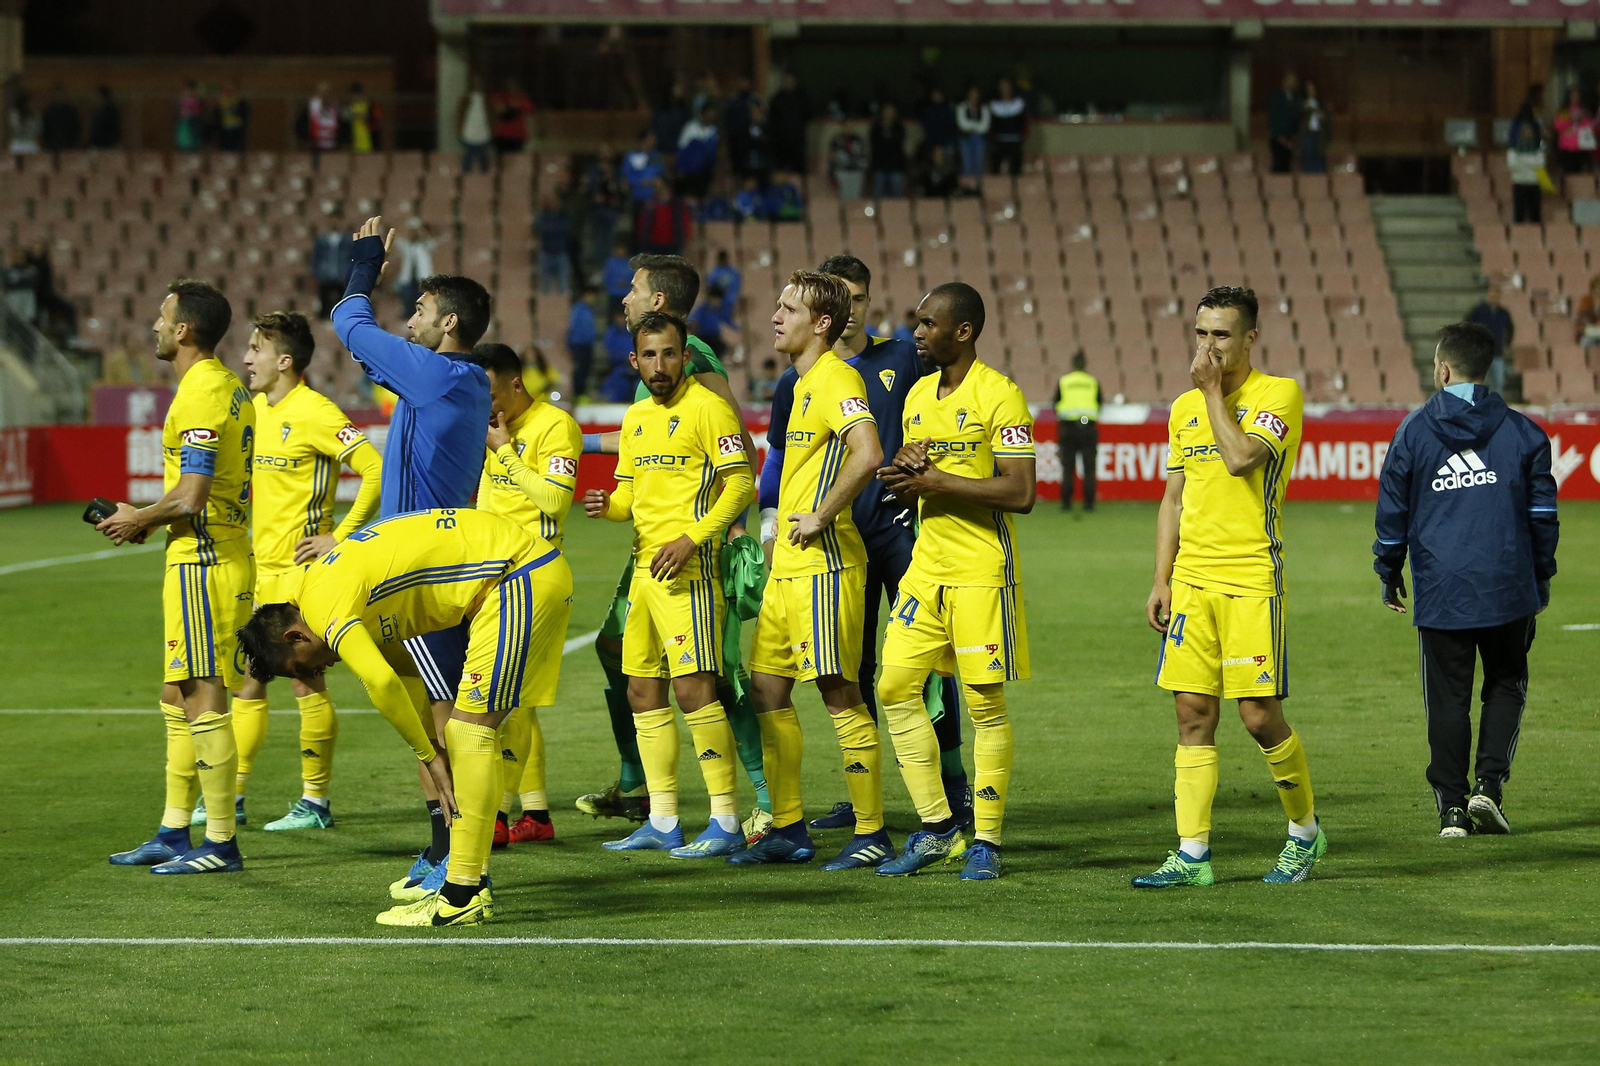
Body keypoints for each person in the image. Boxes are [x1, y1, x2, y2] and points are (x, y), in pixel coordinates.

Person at [237, 509, 571, 926]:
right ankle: (465, 875)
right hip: (517, 577)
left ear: (295, 636)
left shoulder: (323, 605)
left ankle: (461, 893)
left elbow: (381, 682)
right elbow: (401, 668)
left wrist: (429, 755)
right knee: (480, 726)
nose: (315, 673)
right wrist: (432, 746)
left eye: (302, 666)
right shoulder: (315, 589)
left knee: (470, 731)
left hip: (515, 578)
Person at [759, 255, 970, 838]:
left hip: (894, 530)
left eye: (858, 297)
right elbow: (779, 456)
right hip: (833, 539)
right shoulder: (794, 381)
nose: (851, 308)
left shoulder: (900, 355)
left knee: (924, 665)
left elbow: (950, 398)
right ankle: (857, 802)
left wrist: (932, 457)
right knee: (855, 668)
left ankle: (950, 790)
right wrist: (769, 518)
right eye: (842, 296)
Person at [1136, 286, 1326, 889]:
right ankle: (1192, 855)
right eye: (1201, 334)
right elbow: (1173, 497)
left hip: (1251, 579)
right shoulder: (1182, 408)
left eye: (1221, 334)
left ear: (1250, 338)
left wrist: (1214, 393)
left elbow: (1243, 457)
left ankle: (1305, 835)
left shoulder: (1277, 394)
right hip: (1192, 582)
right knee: (1192, 714)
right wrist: (1162, 578)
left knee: (1259, 717)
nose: (1209, 346)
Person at [579, 253, 768, 841]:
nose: (625, 297)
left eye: (633, 289)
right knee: (638, 677)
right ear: (635, 360)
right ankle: (657, 811)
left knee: (709, 682)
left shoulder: (701, 375)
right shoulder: (640, 411)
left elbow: (738, 462)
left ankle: (744, 808)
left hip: (695, 558)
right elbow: (633, 478)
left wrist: (717, 533)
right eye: (649, 357)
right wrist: (600, 495)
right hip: (647, 565)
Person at [331, 215, 493, 899]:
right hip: (431, 563)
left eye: (422, 310)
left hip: (419, 570)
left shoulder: (439, 378)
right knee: (438, 710)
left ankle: (453, 853)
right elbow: (369, 355)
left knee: (438, 718)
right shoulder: (449, 382)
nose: (412, 320)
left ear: (449, 322)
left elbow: (350, 325)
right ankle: (449, 843)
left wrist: (365, 268)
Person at [872, 282, 1035, 880]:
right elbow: (913, 470)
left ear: (962, 331)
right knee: (894, 687)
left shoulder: (1001, 396)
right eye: (916, 323)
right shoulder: (917, 394)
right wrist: (907, 468)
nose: (916, 332)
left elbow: (1021, 491)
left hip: (980, 572)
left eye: (927, 323)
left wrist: (937, 479)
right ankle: (939, 828)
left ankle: (987, 840)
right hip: (926, 569)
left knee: (983, 705)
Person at [1373, 322, 1559, 839]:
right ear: (1489, 371)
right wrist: (1540, 578)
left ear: (1443, 368)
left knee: (1448, 700)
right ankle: (1489, 790)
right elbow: (1543, 514)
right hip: (1508, 587)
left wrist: (1388, 571)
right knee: (1506, 684)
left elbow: (1392, 513)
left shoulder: (1412, 432)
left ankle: (1452, 809)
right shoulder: (1526, 433)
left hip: (1442, 591)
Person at [200, 311, 382, 833]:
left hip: (304, 578)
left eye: (255, 348)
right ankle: (232, 796)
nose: (246, 358)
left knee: (305, 681)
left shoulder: (318, 413)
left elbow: (372, 467)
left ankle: (315, 801)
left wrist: (339, 536)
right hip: (263, 573)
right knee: (251, 682)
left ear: (284, 360)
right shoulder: (255, 409)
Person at [730, 270, 887, 870]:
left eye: (788, 308)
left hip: (825, 567)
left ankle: (871, 830)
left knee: (838, 691)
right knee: (767, 688)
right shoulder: (798, 386)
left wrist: (822, 514)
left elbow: (868, 452)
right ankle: (789, 828)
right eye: (778, 304)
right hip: (790, 568)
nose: (776, 315)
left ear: (821, 324)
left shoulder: (836, 378)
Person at [100, 280, 255, 876]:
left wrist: (139, 515)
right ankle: (173, 829)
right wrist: (148, 523)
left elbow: (191, 495)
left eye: (163, 318)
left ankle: (219, 843)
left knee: (203, 694)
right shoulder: (226, 390)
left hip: (205, 562)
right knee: (176, 695)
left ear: (185, 330)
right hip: (207, 553)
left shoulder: (201, 394)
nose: (156, 327)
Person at [467, 342, 582, 847]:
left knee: (504, 703)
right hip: (489, 579)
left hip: (530, 577)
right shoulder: (491, 426)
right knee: (520, 703)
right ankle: (534, 813)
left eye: (490, 391)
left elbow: (555, 503)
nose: (484, 403)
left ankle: (494, 813)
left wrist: (506, 452)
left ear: (516, 384)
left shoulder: (555, 426)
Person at [1054, 349, 1100, 512]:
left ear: (1072, 365)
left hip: (1068, 428)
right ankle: (1089, 503)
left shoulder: (1064, 381)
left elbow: (1056, 403)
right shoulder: (1092, 382)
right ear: (1085, 364)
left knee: (1067, 467)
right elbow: (1099, 403)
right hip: (1088, 428)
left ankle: (1066, 503)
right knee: (1089, 468)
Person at [1465, 283, 1513, 396]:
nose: (1494, 297)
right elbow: (1466, 325)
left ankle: (1493, 407)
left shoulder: (1503, 313)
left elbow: (1510, 329)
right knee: (1476, 382)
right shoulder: (1479, 310)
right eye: (1492, 294)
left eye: (1497, 294)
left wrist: (1507, 344)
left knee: (1498, 382)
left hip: (1497, 353)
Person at [391, 218, 436, 318]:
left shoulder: (425, 245)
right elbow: (396, 240)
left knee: (423, 302)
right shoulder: (407, 246)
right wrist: (406, 228)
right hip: (408, 279)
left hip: (422, 278)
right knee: (407, 299)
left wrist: (419, 229)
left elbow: (429, 241)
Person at [768, 70, 809, 175]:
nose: (789, 82)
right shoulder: (777, 98)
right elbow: (772, 119)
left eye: (791, 80)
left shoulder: (802, 97)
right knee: (781, 169)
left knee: (798, 170)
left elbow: (808, 115)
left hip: (797, 140)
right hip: (781, 141)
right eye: (786, 80)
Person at [635, 178, 691, 255]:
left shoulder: (678, 205)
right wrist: (643, 240)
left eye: (661, 186)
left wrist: (684, 239)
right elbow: (642, 224)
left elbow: (685, 223)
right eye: (657, 187)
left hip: (673, 245)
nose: (658, 189)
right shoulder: (650, 205)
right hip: (653, 244)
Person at [675, 105, 720, 199]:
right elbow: (681, 148)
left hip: (705, 172)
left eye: (713, 115)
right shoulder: (691, 127)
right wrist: (679, 167)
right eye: (708, 115)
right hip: (690, 171)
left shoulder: (714, 130)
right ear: (702, 114)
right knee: (689, 197)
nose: (710, 118)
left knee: (701, 197)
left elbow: (713, 153)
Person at [1507, 123, 1546, 225]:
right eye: (1524, 133)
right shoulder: (1513, 149)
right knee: (1519, 213)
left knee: (1535, 214)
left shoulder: (1538, 149)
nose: (1527, 135)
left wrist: (1522, 161)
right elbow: (1512, 164)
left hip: (1534, 183)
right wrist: (1531, 162)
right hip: (1519, 183)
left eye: (1529, 133)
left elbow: (1540, 164)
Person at [988, 79, 1026, 177]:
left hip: (1015, 141)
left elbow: (1023, 123)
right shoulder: (994, 105)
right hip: (999, 142)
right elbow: (991, 125)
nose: (1005, 89)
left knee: (1016, 172)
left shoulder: (1019, 104)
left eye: (1007, 86)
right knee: (996, 171)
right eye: (1002, 87)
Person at [536, 195, 573, 295]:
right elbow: (539, 229)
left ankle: (562, 305)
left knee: (563, 286)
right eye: (551, 203)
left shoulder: (564, 216)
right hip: (546, 254)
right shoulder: (543, 216)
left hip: (561, 254)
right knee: (544, 286)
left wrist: (551, 229)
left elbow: (566, 230)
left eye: (556, 203)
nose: (554, 205)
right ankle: (544, 305)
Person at [956, 86, 990, 196]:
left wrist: (970, 126)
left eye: (976, 94)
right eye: (972, 94)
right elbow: (962, 124)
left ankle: (977, 190)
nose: (974, 96)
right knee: (967, 165)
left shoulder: (984, 108)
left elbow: (984, 127)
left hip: (979, 140)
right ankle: (967, 190)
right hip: (965, 140)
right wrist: (976, 126)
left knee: (978, 165)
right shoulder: (962, 107)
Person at [870, 102, 908, 199]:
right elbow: (875, 144)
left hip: (896, 166)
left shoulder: (899, 127)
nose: (888, 114)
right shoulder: (876, 127)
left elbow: (899, 142)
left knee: (896, 194)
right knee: (878, 194)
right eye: (887, 111)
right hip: (879, 165)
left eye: (891, 112)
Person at [489, 78, 534, 158]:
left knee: (515, 159)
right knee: (499, 159)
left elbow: (530, 111)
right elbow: (493, 109)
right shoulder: (498, 97)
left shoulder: (522, 99)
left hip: (517, 136)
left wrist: (516, 105)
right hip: (500, 135)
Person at [1552, 87, 1592, 175]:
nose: (1575, 98)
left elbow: (1589, 127)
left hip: (1580, 146)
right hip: (1566, 147)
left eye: (1577, 95)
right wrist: (1571, 120)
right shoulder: (1564, 111)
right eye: (1573, 95)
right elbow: (1558, 126)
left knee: (1579, 173)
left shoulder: (1583, 111)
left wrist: (1582, 119)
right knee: (1567, 173)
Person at [566, 289, 598, 399]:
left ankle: (582, 394)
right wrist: (571, 343)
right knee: (580, 369)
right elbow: (572, 326)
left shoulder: (589, 309)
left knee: (586, 369)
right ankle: (577, 394)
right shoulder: (578, 308)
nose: (593, 299)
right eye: (591, 296)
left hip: (587, 344)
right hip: (578, 344)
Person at [1266, 72, 1300, 174]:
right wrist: (1278, 135)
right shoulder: (1276, 97)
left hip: (1290, 138)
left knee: (1287, 165)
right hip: (1278, 137)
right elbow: (1272, 117)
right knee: (1278, 164)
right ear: (1284, 82)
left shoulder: (1296, 99)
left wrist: (1294, 136)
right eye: (1289, 81)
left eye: (1293, 82)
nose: (1291, 84)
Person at [458, 76, 492, 174]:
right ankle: (466, 180)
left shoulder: (487, 100)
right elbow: (460, 115)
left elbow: (491, 117)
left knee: (483, 159)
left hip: (483, 133)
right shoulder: (466, 99)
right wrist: (460, 130)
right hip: (469, 133)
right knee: (467, 158)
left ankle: (485, 180)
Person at [622, 130, 665, 206]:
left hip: (654, 198)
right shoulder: (631, 156)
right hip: (637, 197)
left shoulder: (655, 156)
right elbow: (627, 177)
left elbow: (660, 174)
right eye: (650, 139)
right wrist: (643, 182)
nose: (653, 142)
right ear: (642, 140)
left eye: (654, 140)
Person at [1299, 81, 1329, 175]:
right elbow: (1297, 115)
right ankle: (1308, 177)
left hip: (1319, 133)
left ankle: (1319, 177)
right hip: (1307, 133)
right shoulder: (1302, 103)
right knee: (1308, 155)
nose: (1311, 92)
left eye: (1313, 89)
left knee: (1319, 155)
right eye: (1309, 90)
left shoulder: (1321, 103)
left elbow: (1327, 118)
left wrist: (1323, 117)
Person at [40, 85, 81, 152]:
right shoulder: (49, 112)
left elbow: (76, 129)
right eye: (56, 94)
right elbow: (45, 130)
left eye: (61, 94)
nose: (59, 97)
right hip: (51, 147)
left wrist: (74, 144)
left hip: (69, 146)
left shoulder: (71, 112)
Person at [215, 82, 250, 153]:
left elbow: (243, 112)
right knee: (227, 148)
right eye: (226, 90)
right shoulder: (221, 101)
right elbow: (217, 114)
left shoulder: (238, 100)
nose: (228, 92)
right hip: (225, 127)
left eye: (230, 90)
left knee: (237, 148)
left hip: (236, 127)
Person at [307, 84, 339, 161]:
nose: (325, 93)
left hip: (329, 130)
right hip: (319, 130)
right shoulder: (315, 101)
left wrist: (333, 126)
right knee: (319, 149)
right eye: (324, 91)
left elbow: (334, 116)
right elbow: (314, 117)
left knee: (329, 151)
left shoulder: (332, 102)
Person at [344, 83, 376, 154]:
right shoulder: (352, 103)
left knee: (364, 141)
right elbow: (346, 115)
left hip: (363, 126)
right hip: (354, 126)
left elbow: (369, 115)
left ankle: (366, 151)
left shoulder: (364, 102)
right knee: (357, 140)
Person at [175, 81, 203, 152]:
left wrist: (190, 112)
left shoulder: (195, 100)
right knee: (183, 136)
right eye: (185, 91)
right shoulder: (182, 99)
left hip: (192, 120)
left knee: (192, 136)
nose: (186, 93)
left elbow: (197, 111)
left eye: (189, 91)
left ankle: (193, 148)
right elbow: (179, 109)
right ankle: (183, 148)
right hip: (184, 120)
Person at [1573, 274, 1600, 348]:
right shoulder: (1586, 301)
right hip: (1589, 332)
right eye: (1597, 288)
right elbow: (1581, 320)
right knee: (1586, 341)